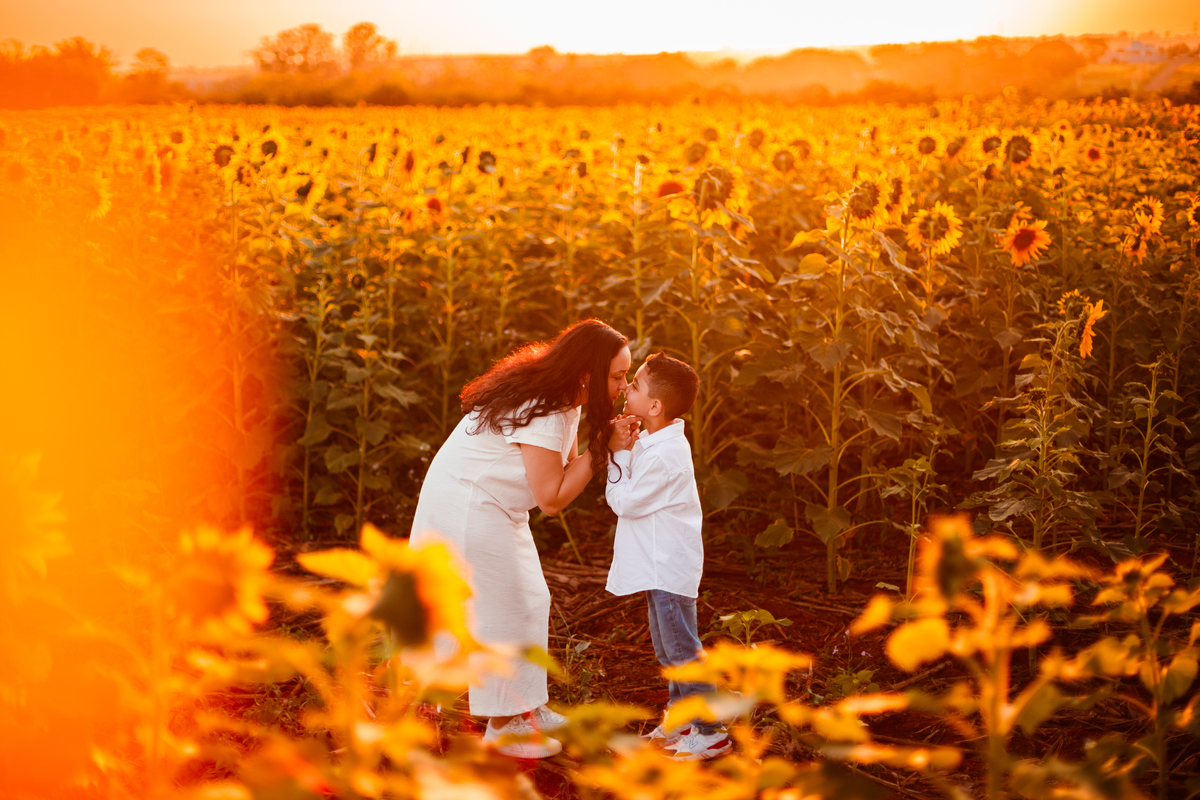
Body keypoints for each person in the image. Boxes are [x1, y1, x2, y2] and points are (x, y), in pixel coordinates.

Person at [409, 319, 637, 759]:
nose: (623, 385)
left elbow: (564, 471)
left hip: (492, 503)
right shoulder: (548, 406)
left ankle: (526, 706)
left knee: (529, 598)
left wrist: (601, 440)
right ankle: (506, 723)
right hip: (468, 504)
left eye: (626, 375)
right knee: (509, 603)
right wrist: (602, 449)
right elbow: (551, 500)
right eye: (616, 376)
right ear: (588, 371)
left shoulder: (568, 399)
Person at [604, 352, 732, 761]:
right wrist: (629, 444)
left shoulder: (664, 455)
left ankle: (712, 733)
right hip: (657, 564)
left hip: (667, 566)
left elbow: (624, 502)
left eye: (635, 385)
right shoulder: (656, 442)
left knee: (682, 652)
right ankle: (681, 717)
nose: (626, 387)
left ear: (655, 407)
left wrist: (616, 454)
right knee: (669, 649)